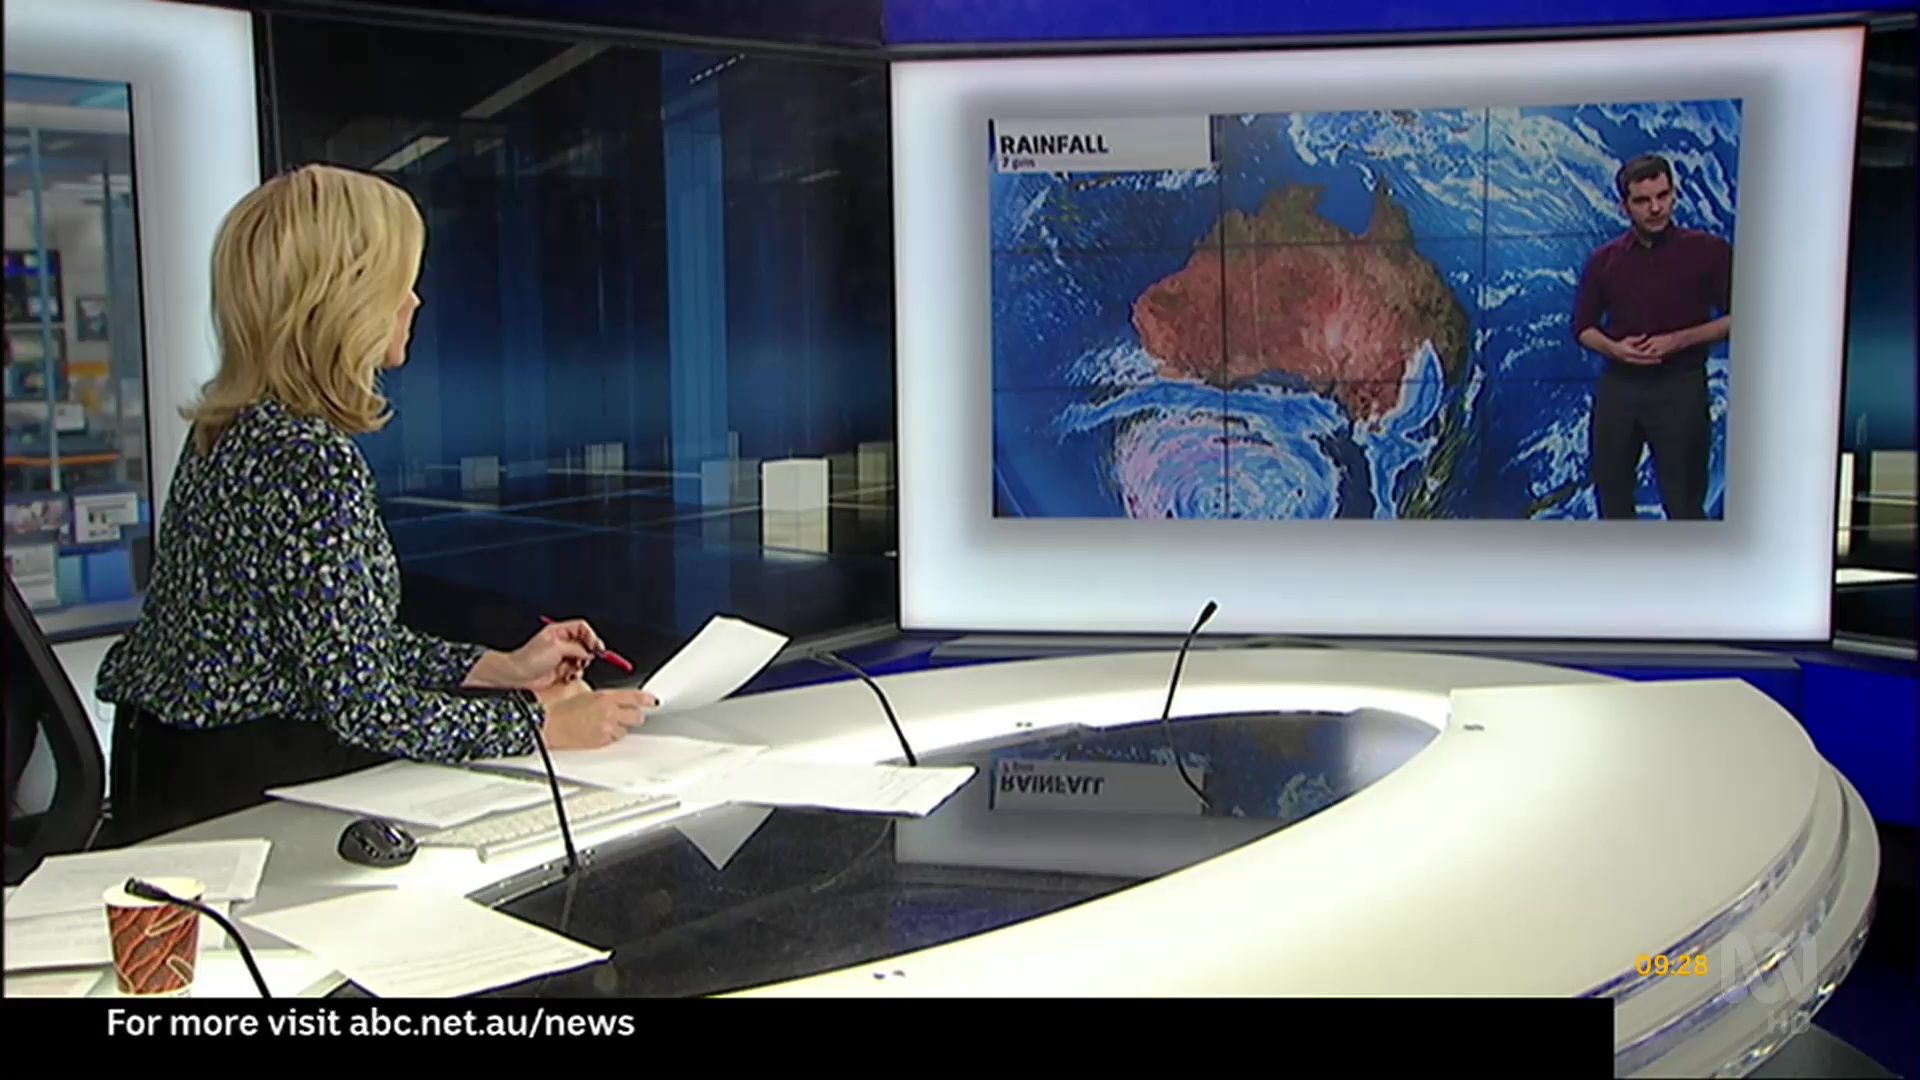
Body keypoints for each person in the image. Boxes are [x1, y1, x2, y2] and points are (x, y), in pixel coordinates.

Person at [96, 164, 654, 843]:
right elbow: (364, 706)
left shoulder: (235, 427)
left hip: (173, 770)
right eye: (398, 281)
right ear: (344, 297)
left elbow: (342, 646)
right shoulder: (308, 460)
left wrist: (501, 670)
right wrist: (541, 724)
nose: (413, 301)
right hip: (241, 802)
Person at [1572, 153, 1732, 520]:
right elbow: (1583, 328)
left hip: (1681, 386)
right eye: (1643, 200)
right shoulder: (1604, 261)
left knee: (1684, 505)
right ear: (1624, 206)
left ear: (1674, 194)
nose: (1656, 208)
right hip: (1620, 387)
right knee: (1612, 501)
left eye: (1662, 196)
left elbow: (1740, 319)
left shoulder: (1710, 252)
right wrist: (1616, 350)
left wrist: (1677, 341)